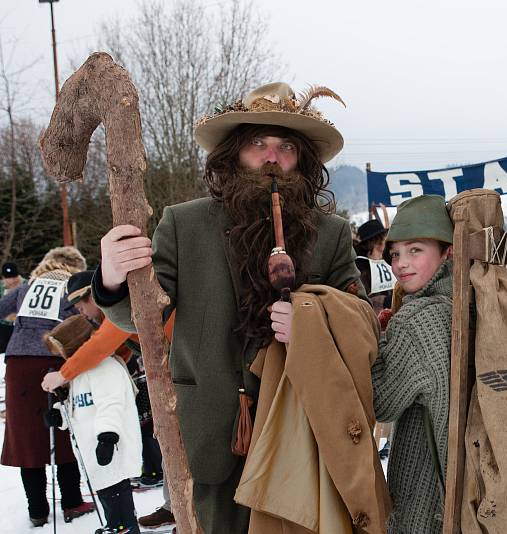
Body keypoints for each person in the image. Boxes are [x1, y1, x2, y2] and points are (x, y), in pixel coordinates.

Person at [92, 82, 367, 532]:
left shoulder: (331, 233)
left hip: (301, 429)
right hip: (210, 431)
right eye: (257, 143)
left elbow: (359, 325)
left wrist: (314, 323)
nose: (271, 157)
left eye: (286, 147)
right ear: (234, 152)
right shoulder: (184, 223)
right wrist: (110, 279)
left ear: (304, 160)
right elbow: (142, 316)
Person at [371, 194, 453, 533]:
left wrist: (374, 339)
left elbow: (380, 401)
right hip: (462, 485)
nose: (401, 263)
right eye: (395, 253)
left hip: (424, 492)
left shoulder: (416, 320)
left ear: (447, 250)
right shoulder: (468, 301)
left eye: (415, 250)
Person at [0, 247, 95, 526]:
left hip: (18, 366)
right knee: (62, 430)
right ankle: (72, 502)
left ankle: (37, 511)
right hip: (53, 363)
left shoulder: (25, 288)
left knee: (26, 438)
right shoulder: (71, 289)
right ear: (74, 267)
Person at [44, 312, 142, 534]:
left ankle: (122, 528)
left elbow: (111, 404)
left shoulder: (105, 369)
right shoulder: (80, 373)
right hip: (93, 457)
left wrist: (107, 436)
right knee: (108, 500)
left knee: (118, 504)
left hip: (112, 453)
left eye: (62, 352)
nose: (62, 358)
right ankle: (115, 526)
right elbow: (81, 407)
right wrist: (61, 416)